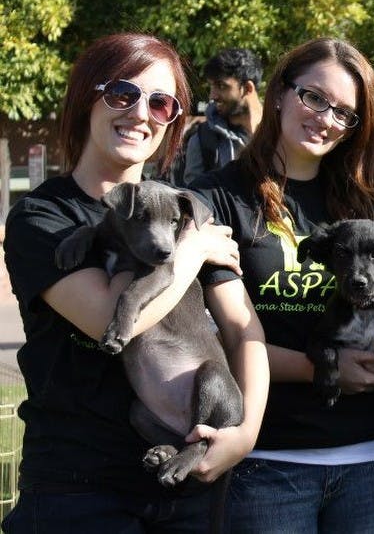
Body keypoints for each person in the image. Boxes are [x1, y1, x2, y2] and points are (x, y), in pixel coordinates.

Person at [1, 33, 269, 532]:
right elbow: (111, 319)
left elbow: (242, 329)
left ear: (172, 121)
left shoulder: (183, 210)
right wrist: (190, 249)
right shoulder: (44, 216)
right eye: (122, 94)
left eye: (161, 103)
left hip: (185, 487)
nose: (141, 113)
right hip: (78, 492)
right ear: (87, 98)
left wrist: (246, 431)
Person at [188, 37, 374, 533]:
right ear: (281, 93)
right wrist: (321, 368)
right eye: (315, 98)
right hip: (268, 462)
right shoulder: (215, 197)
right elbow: (206, 333)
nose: (326, 118)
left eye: (344, 113)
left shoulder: (365, 207)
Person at [178, 48, 264, 185]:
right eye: (211, 86)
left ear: (248, 88)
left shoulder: (281, 131)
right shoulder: (203, 139)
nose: (212, 96)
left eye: (221, 86)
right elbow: (194, 198)